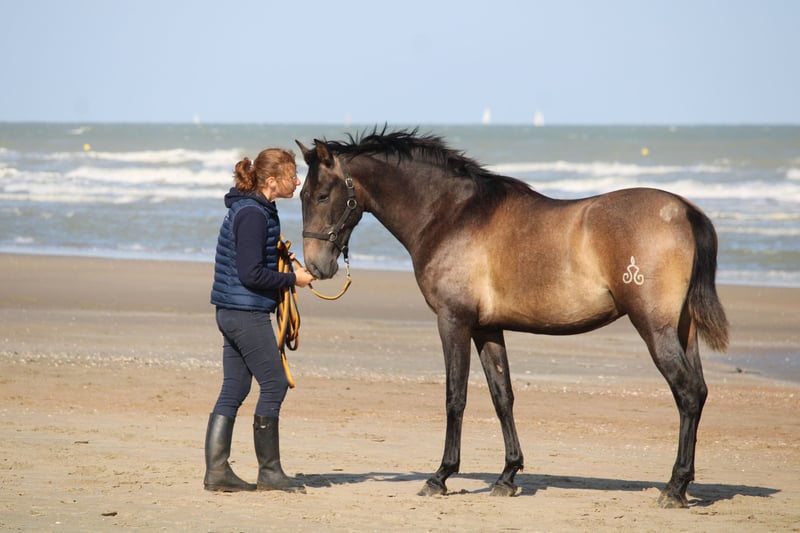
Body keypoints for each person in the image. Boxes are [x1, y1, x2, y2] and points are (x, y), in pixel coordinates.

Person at [204, 148, 314, 493]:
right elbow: (250, 274)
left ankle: (217, 473)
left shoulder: (254, 207)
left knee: (235, 388)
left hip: (232, 310)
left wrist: (282, 260)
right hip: (244, 312)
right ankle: (269, 473)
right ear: (272, 181)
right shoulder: (253, 214)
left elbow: (253, 262)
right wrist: (293, 280)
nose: (298, 181)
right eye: (292, 176)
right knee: (275, 383)